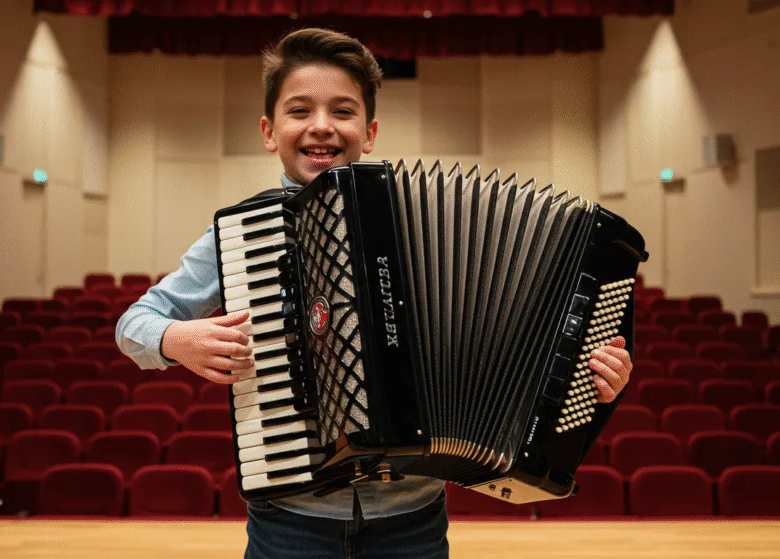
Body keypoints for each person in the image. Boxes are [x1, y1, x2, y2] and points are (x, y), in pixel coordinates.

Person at [116, 27, 634, 559]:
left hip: (412, 522)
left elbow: (523, 336)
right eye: (300, 111)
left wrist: (587, 377)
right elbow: (135, 322)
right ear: (270, 131)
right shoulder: (248, 235)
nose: (321, 126)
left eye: (343, 111)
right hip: (291, 522)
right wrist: (176, 337)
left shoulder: (431, 226)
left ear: (369, 132)